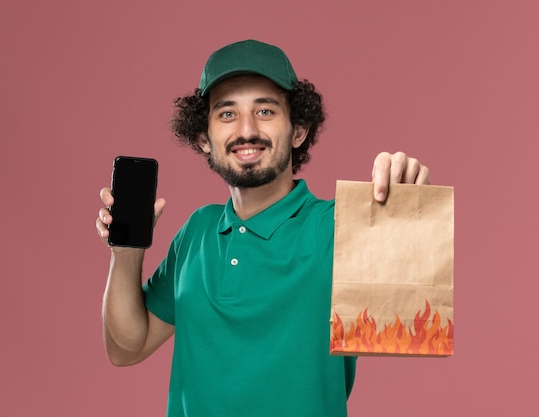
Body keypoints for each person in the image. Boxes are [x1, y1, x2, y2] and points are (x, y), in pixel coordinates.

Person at [96, 39, 430, 417]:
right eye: (227, 114)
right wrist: (126, 255)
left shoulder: (337, 226)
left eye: (266, 111)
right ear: (205, 138)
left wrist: (405, 202)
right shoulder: (196, 233)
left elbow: (414, 309)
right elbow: (126, 349)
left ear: (298, 130)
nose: (247, 130)